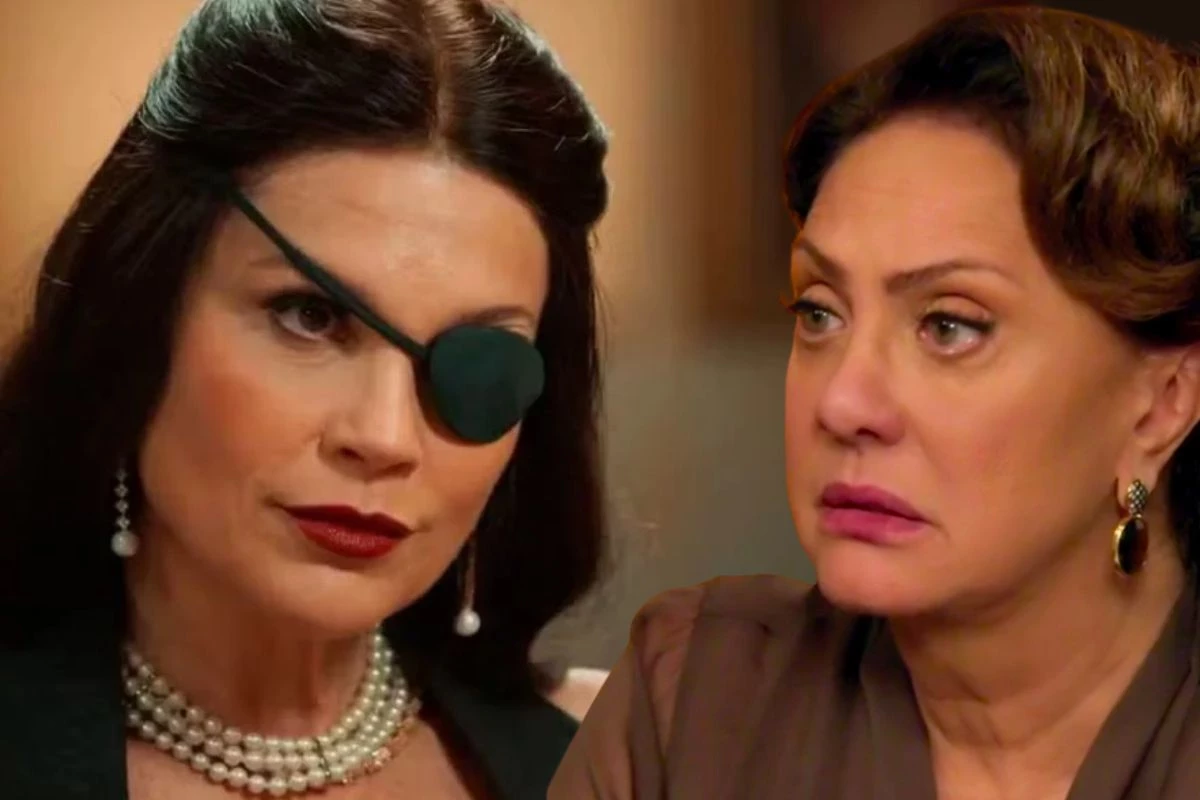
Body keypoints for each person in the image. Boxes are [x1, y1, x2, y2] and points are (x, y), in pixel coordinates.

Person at [550, 6, 1200, 799]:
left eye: (950, 326)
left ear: (1164, 401)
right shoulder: (694, 699)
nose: (842, 402)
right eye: (819, 312)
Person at [0, 0, 611, 798]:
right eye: (310, 316)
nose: (384, 436)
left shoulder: (628, 759)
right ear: (133, 318)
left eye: (477, 360)